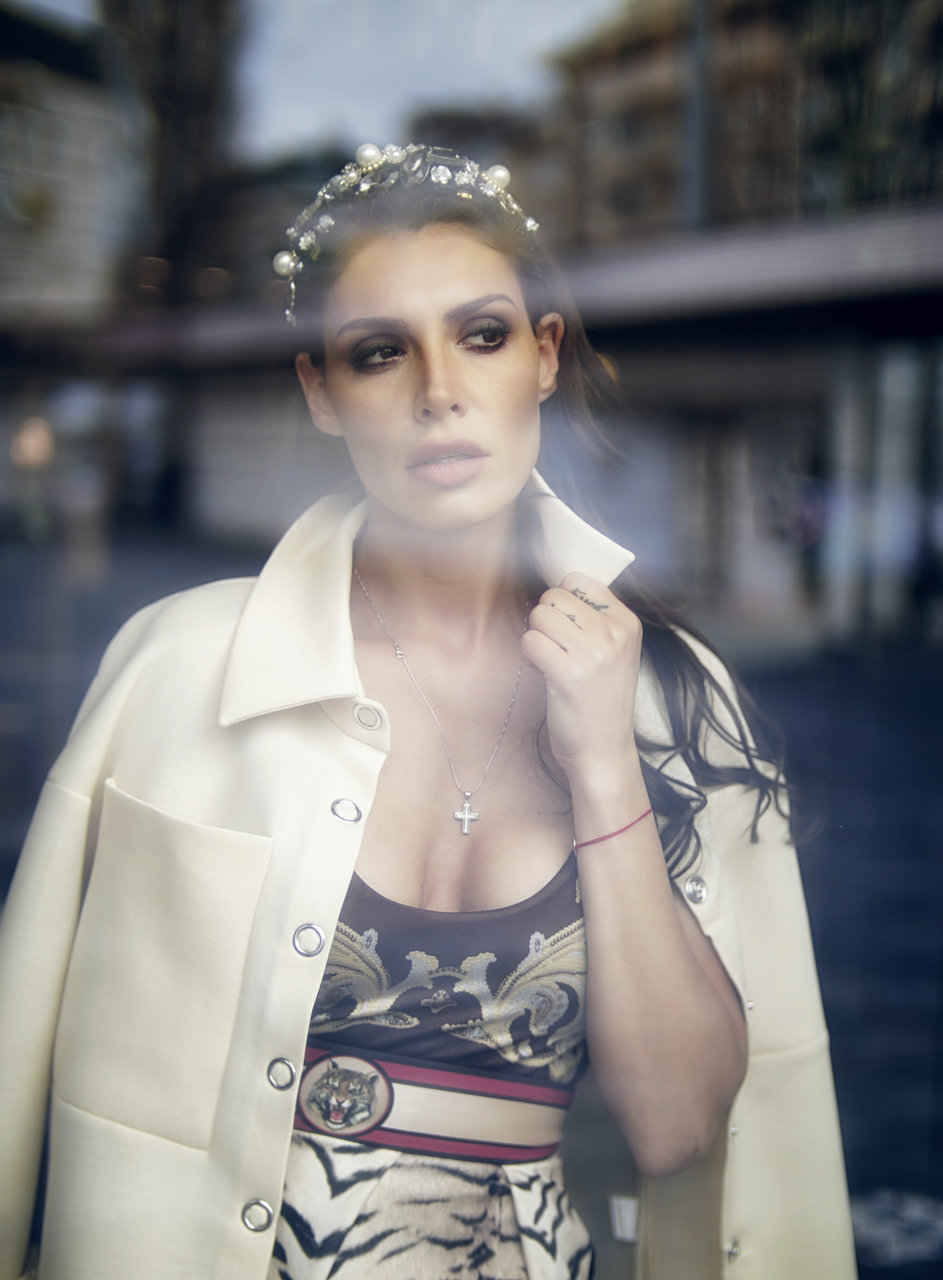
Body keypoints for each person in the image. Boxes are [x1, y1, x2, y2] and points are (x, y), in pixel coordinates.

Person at [0, 144, 856, 1280]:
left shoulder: (672, 695)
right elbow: (15, 1058)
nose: (438, 389)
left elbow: (679, 1128)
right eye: (379, 351)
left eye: (482, 335)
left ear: (544, 356)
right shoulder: (178, 665)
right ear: (320, 389)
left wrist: (604, 761)